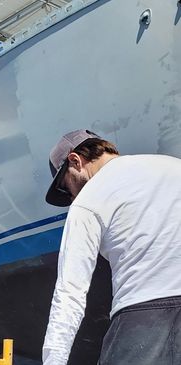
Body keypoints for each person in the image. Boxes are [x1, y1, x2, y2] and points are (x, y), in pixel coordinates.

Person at [42, 129, 181, 365]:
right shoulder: (173, 166)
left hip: (143, 317)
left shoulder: (88, 200)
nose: (72, 198)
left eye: (67, 189)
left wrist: (54, 360)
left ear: (75, 160)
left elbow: (70, 291)